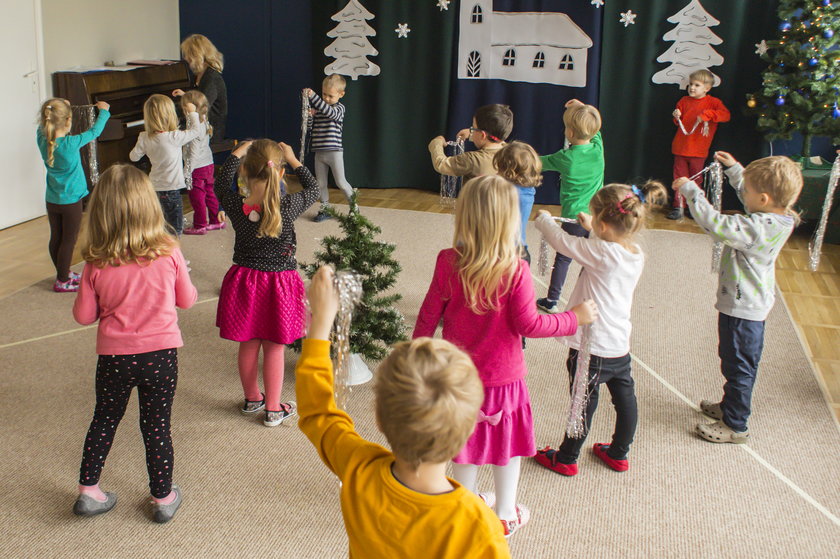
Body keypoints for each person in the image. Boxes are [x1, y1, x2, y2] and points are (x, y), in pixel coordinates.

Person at [413, 175, 597, 538]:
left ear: (463, 217)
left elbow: (427, 315)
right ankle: (506, 513)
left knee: (463, 445)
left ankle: (464, 508)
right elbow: (530, 325)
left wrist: (416, 359)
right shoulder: (516, 270)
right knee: (507, 448)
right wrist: (573, 317)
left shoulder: (448, 260)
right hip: (504, 381)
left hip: (457, 379)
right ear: (509, 221)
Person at [298, 266, 511, 558]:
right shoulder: (479, 527)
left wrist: (320, 324)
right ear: (469, 432)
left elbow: (317, 412)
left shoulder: (359, 467)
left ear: (379, 420)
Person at [71, 164, 197, 523]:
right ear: (149, 206)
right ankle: (162, 497)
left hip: (114, 358)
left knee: (104, 419)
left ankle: (89, 491)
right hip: (161, 357)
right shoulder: (169, 251)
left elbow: (83, 316)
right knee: (156, 425)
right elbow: (186, 300)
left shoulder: (95, 262)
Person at [533, 180, 667, 476]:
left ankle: (567, 458)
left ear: (604, 225)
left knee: (582, 402)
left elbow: (564, 242)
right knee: (625, 399)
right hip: (619, 343)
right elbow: (604, 245)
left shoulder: (601, 253)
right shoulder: (634, 254)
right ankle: (619, 453)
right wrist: (594, 227)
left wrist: (544, 221)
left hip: (590, 346)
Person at [673, 151, 803, 443]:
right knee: (733, 361)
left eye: (748, 189)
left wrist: (690, 191)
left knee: (738, 366)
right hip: (748, 305)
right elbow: (752, 191)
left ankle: (736, 425)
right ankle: (730, 406)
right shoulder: (779, 218)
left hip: (743, 309)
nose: (744, 192)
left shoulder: (755, 229)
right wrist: (734, 170)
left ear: (764, 199)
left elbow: (715, 224)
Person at [214, 139, 320, 427]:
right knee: (274, 346)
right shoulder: (289, 204)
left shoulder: (237, 204)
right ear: (281, 173)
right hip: (280, 286)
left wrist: (237, 152)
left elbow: (221, 182)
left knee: (248, 342)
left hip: (245, 281)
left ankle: (252, 399)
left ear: (246, 174)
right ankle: (274, 409)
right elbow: (315, 190)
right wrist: (294, 160)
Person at [536, 99, 604, 313]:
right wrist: (583, 107)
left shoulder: (565, 157)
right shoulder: (597, 147)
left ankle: (553, 300)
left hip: (574, 217)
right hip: (597, 216)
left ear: (571, 134)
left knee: (564, 257)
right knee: (592, 257)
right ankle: (590, 298)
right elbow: (596, 129)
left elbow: (539, 162)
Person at [36, 98, 110, 292]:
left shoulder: (42, 137)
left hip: (52, 199)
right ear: (68, 120)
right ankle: (62, 280)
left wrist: (60, 105)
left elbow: (42, 125)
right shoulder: (70, 143)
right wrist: (104, 112)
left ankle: (63, 272)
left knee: (57, 237)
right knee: (69, 240)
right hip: (71, 201)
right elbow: (95, 132)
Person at [129, 94, 201, 235]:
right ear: (170, 115)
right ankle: (173, 256)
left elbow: (133, 157)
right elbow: (196, 131)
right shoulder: (174, 137)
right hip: (172, 190)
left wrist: (141, 145)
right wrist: (193, 112)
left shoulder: (144, 137)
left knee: (158, 227)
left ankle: (160, 254)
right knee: (175, 229)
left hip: (153, 189)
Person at [668, 69, 730, 220]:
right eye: (691, 84)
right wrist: (676, 116)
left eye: (697, 85)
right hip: (681, 148)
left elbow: (725, 115)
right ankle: (678, 206)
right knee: (679, 178)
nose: (692, 88)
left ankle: (693, 207)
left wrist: (708, 115)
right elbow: (678, 122)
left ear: (707, 88)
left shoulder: (713, 103)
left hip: (698, 150)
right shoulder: (683, 101)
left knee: (696, 180)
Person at [304, 74, 354, 222]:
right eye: (324, 94)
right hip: (319, 152)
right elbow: (310, 128)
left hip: (334, 152)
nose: (326, 98)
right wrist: (310, 116)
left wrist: (314, 97)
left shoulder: (339, 109)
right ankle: (325, 209)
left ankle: (354, 208)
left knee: (341, 182)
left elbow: (329, 112)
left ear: (341, 94)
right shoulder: (320, 109)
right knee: (320, 183)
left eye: (330, 96)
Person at [179, 90, 225, 235]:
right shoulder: (203, 119)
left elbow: (193, 152)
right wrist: (185, 95)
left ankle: (200, 224)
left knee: (196, 196)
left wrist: (187, 170)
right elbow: (198, 105)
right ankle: (215, 220)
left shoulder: (194, 128)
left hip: (196, 166)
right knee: (210, 192)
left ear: (189, 109)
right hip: (208, 163)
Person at [428, 104, 512, 181]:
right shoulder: (510, 152)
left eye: (473, 128)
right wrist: (472, 133)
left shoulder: (472, 159)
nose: (471, 129)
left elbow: (441, 164)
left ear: (483, 135)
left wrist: (436, 143)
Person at [493, 141, 543, 263]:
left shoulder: (502, 192)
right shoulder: (529, 191)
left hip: (502, 253)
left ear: (506, 171)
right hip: (521, 251)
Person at [172, 34, 227, 142]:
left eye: (188, 54)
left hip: (210, 130)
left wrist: (168, 111)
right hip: (197, 124)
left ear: (196, 55)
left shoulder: (212, 78)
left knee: (169, 138)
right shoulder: (198, 75)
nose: (186, 58)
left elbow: (200, 108)